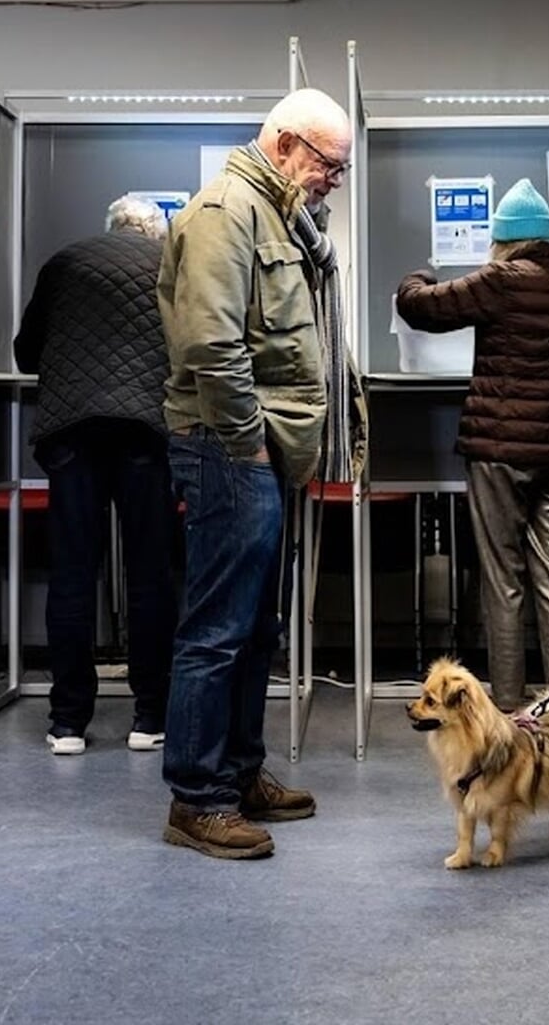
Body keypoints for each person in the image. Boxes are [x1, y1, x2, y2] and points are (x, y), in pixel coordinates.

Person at [156, 89, 363, 860]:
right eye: (328, 165)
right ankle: (197, 798)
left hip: (262, 449)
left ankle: (238, 774)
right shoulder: (227, 210)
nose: (332, 181)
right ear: (284, 145)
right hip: (229, 447)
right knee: (217, 629)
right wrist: (245, 442)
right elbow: (212, 345)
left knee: (253, 628)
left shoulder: (278, 215)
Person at [394, 179, 549, 709]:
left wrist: (418, 275)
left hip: (499, 451)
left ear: (503, 239)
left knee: (504, 579)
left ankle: (508, 706)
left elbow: (419, 308)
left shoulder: (499, 280)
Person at [14, 195, 178, 756]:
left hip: (72, 432)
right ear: (156, 233)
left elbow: (26, 352)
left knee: (73, 575)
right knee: (150, 574)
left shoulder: (64, 261)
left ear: (109, 227)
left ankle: (67, 722)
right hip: (145, 432)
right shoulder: (169, 264)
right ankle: (150, 716)